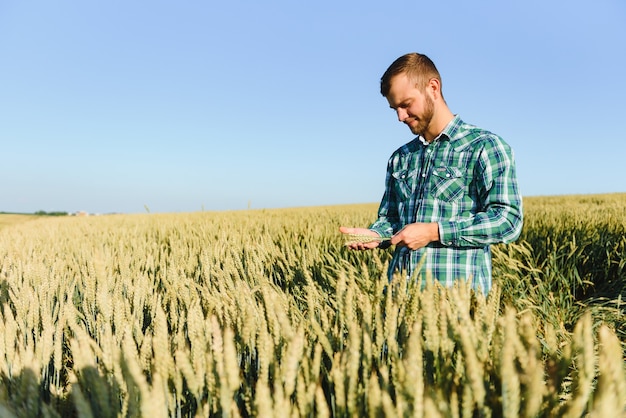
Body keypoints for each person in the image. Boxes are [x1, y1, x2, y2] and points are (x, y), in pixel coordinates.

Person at [340, 52, 523, 294]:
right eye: (395, 108)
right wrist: (377, 235)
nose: (400, 117)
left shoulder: (485, 146)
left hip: (458, 308)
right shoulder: (400, 158)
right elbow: (393, 219)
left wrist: (434, 231)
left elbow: (508, 221)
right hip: (400, 303)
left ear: (433, 88)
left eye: (406, 105)